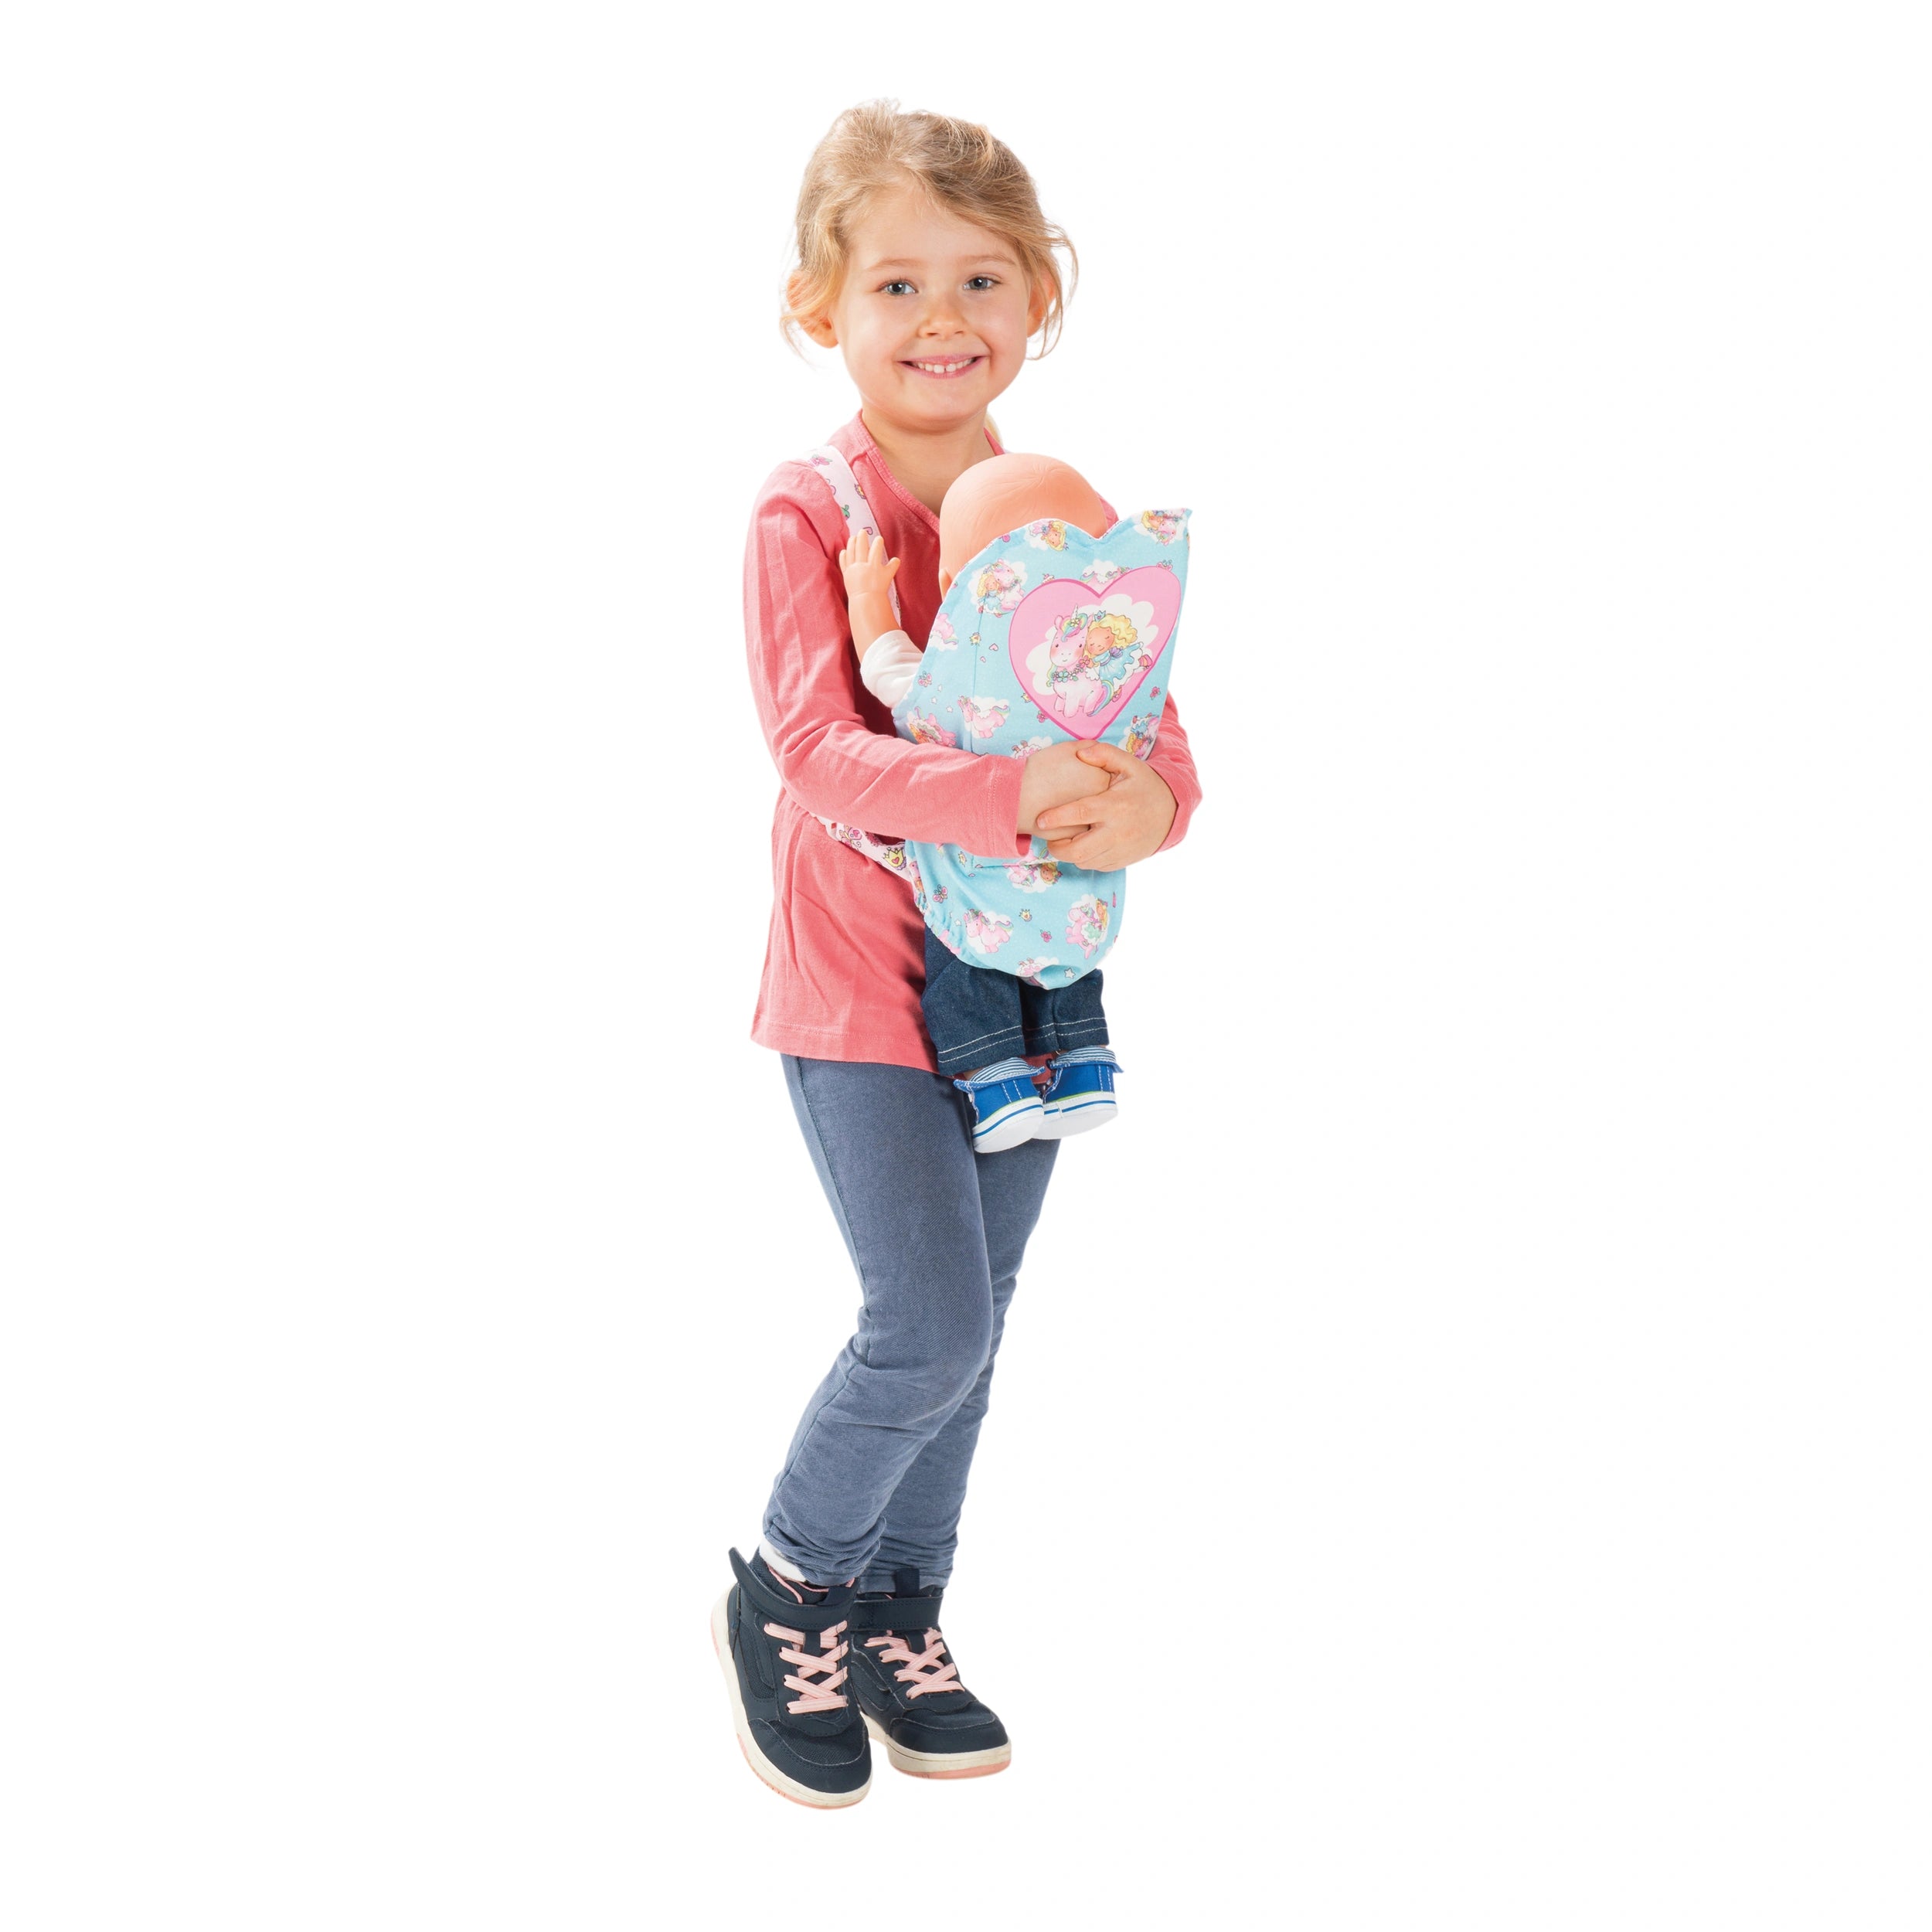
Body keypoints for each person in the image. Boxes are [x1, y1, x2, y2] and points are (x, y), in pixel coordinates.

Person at [713, 99, 1202, 1809]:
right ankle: (793, 1582)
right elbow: (816, 750)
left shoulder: (1062, 521)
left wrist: (1146, 808)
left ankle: (899, 1606)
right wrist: (1013, 795)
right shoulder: (809, 510)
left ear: (1038, 295)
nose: (942, 317)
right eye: (896, 282)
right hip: (863, 979)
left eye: (981, 278)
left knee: (976, 1327)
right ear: (820, 307)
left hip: (1033, 985)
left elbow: (1143, 726)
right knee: (920, 1324)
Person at [833, 451, 1190, 1150]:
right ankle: (1085, 1067)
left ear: (953, 586)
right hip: (1076, 872)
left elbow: (885, 663)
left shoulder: (954, 683)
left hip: (975, 872)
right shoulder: (1115, 685)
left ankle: (997, 1083)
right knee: (1068, 961)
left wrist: (869, 598)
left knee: (969, 967)